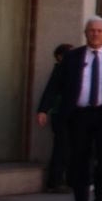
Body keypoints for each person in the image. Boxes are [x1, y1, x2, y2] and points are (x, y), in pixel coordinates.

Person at [37, 17, 102, 201]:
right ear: (85, 33)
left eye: (99, 31)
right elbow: (55, 84)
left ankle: (101, 198)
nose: (95, 34)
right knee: (79, 158)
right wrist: (43, 109)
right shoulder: (73, 57)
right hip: (79, 115)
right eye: (91, 30)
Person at [37, 43, 74, 192]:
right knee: (61, 147)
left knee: (69, 148)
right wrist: (43, 110)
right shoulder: (60, 70)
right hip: (61, 114)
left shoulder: (73, 70)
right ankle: (55, 181)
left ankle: (65, 180)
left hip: (72, 114)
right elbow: (50, 91)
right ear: (60, 57)